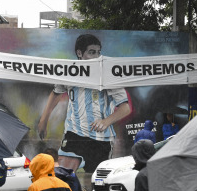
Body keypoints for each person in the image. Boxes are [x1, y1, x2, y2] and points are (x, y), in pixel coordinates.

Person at [38, 34, 131, 173]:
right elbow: (56, 93)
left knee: (98, 180)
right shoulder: (69, 71)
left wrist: (106, 121)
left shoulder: (108, 74)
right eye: (92, 52)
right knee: (64, 174)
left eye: (98, 52)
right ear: (79, 53)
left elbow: (125, 108)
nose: (97, 56)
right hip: (74, 134)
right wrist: (44, 120)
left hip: (101, 139)